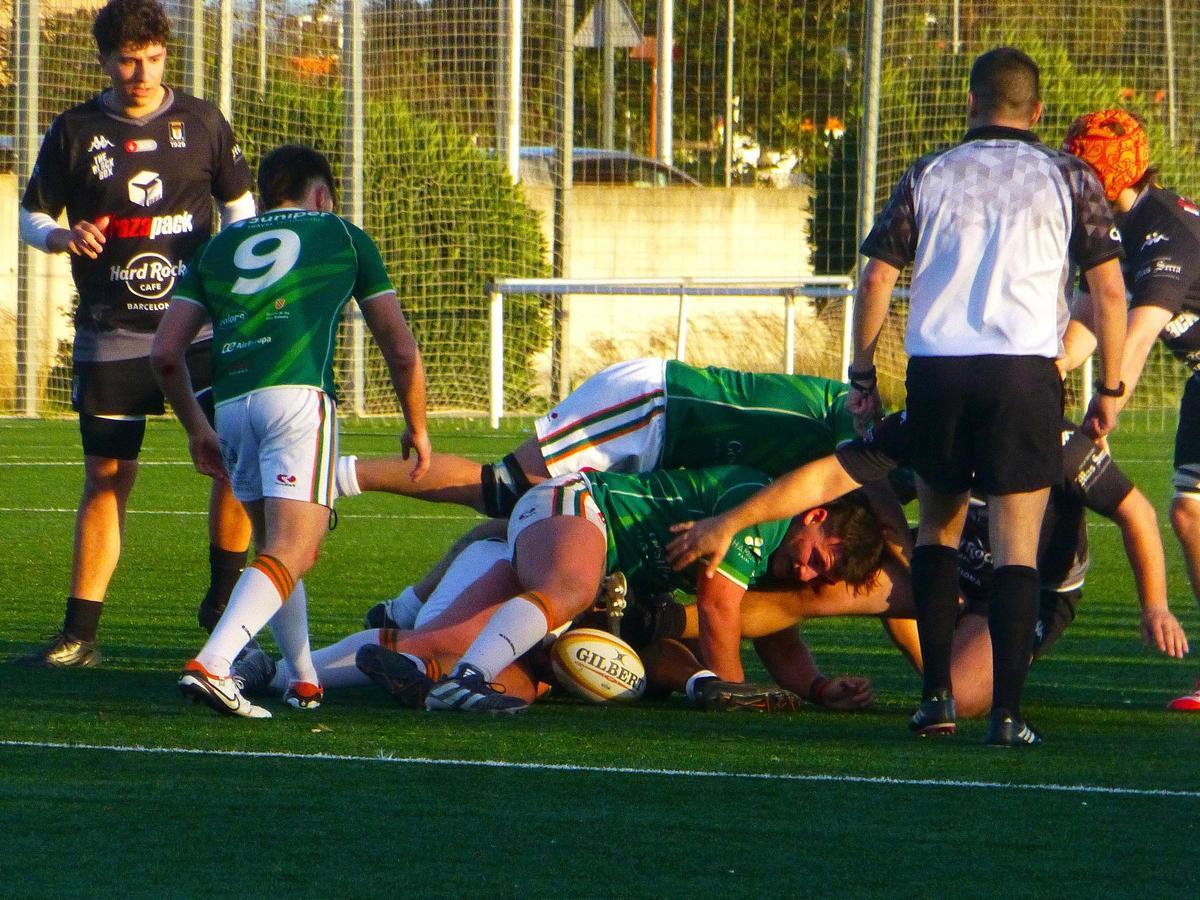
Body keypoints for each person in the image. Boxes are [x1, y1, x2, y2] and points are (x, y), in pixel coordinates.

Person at [848, 47, 1129, 745]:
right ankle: (1006, 714)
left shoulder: (930, 171)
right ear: (1036, 113)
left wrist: (862, 376)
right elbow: (1111, 291)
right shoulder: (1070, 175)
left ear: (971, 103)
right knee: (1016, 548)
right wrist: (1113, 386)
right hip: (1024, 375)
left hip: (939, 371)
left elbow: (877, 275)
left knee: (936, 531)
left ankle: (935, 700)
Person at [150, 144, 429, 718]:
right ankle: (215, 663)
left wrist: (196, 427)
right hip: (298, 398)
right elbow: (400, 349)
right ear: (322, 194)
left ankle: (302, 677)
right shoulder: (343, 234)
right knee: (294, 547)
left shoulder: (218, 247)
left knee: (278, 548)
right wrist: (417, 426)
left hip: (230, 407)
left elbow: (165, 354)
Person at [16, 0, 256, 667]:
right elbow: (31, 215)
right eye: (126, 60)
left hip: (202, 332)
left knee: (235, 459)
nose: (140, 73)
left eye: (151, 59)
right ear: (104, 60)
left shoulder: (203, 122)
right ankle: (79, 634)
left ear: (165, 56)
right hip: (110, 334)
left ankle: (224, 603)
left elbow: (240, 207)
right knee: (108, 474)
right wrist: (63, 233)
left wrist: (232, 270)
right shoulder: (74, 131)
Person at [666, 412, 1189, 715]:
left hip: (1030, 592)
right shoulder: (930, 420)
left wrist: (1156, 606)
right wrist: (732, 522)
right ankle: (659, 625)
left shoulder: (1054, 442)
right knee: (822, 586)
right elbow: (836, 480)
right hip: (944, 567)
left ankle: (953, 660)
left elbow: (1137, 513)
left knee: (957, 701)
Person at [417, 466, 885, 712]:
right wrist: (732, 690)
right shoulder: (762, 510)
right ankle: (418, 648)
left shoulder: (777, 557)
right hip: (575, 513)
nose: (806, 576)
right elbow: (719, 608)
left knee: (530, 682)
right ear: (816, 516)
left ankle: (425, 679)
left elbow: (777, 636)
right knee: (434, 639)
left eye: (820, 579)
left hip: (599, 570)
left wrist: (820, 688)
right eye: (819, 561)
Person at [1058, 109, 1200, 713]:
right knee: (1190, 513)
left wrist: (1106, 401)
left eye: (1078, 169)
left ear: (1104, 174)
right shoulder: (1118, 225)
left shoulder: (1163, 227)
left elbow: (1138, 335)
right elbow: (1092, 319)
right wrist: (1036, 375)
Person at [335, 358, 858, 517]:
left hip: (665, 443)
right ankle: (338, 475)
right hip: (655, 408)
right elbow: (869, 484)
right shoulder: (863, 419)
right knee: (506, 490)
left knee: (542, 514)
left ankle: (404, 611)